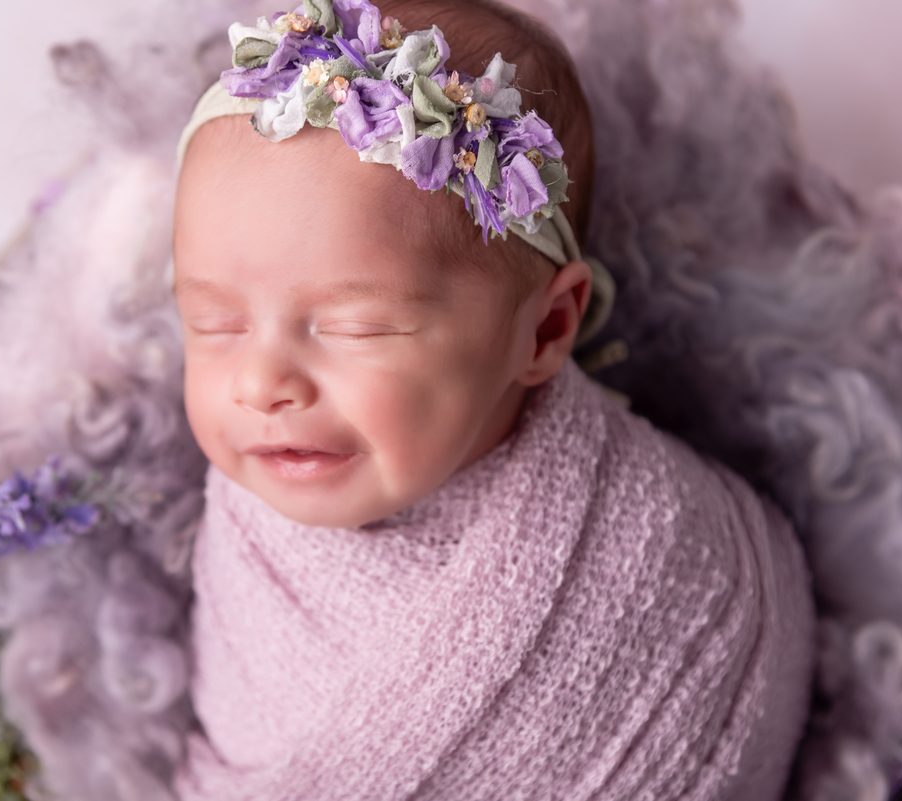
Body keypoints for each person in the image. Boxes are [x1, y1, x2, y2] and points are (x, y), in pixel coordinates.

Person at [167, 1, 816, 798]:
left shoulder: (667, 551)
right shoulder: (241, 524)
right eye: (213, 322)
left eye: (358, 327)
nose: (261, 384)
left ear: (544, 330)